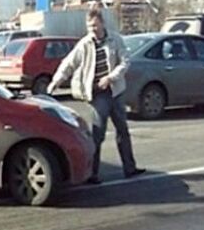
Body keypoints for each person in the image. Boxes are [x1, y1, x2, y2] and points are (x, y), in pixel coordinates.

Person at [47, 9, 145, 184]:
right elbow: (69, 63)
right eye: (89, 26)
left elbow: (125, 62)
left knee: (122, 130)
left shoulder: (115, 40)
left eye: (94, 25)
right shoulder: (85, 44)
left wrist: (110, 78)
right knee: (97, 134)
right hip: (97, 95)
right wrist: (56, 82)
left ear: (102, 24)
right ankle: (92, 173)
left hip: (115, 91)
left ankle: (130, 168)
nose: (92, 29)